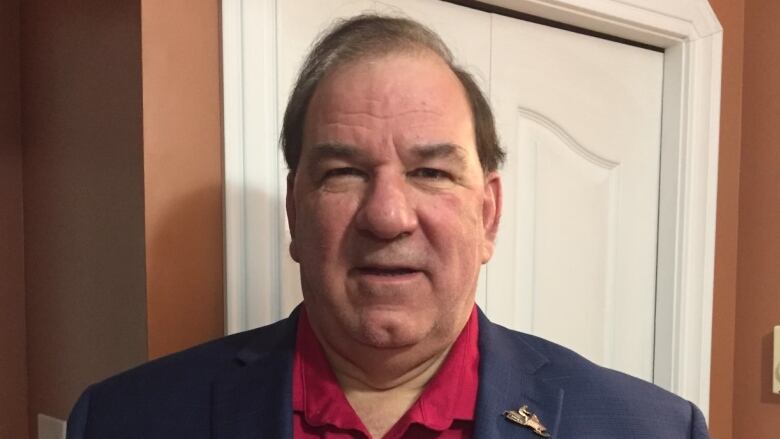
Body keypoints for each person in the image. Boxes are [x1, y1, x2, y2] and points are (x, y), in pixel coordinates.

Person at [67, 14, 710, 439]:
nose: (387, 216)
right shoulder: (126, 420)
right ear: (295, 211)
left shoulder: (650, 429)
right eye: (344, 171)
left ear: (488, 215)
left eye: (431, 173)